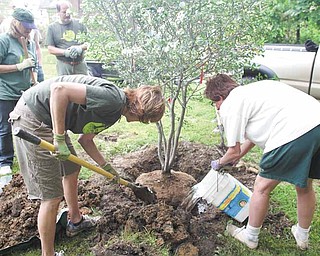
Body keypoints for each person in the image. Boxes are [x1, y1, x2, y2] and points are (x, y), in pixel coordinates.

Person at [9, 74, 165, 256]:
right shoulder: (112, 100)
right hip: (34, 118)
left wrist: (106, 167)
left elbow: (86, 139)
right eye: (145, 120)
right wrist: (59, 138)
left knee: (72, 169)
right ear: (140, 110)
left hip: (49, 119)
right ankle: (48, 254)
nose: (142, 123)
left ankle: (75, 221)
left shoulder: (115, 111)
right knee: (51, 197)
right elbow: (59, 90)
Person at [204, 74, 320, 250]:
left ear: (219, 97)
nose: (217, 108)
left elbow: (232, 150)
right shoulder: (255, 91)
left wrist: (218, 163)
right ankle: (302, 236)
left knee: (261, 187)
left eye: (215, 103)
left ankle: (250, 236)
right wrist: (236, 157)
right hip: (316, 123)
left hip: (292, 132)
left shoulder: (230, 104)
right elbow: (248, 141)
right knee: (304, 185)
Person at [0, 8, 37, 190]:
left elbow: (34, 65)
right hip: (5, 92)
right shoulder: (4, 41)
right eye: (26, 27)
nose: (29, 30)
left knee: (26, 126)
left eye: (31, 27)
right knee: (6, 129)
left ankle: (30, 159)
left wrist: (34, 73)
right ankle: (5, 163)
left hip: (24, 92)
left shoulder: (28, 42)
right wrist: (18, 66)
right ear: (16, 23)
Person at [46, 0, 89, 75]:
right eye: (64, 12)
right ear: (58, 13)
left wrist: (79, 48)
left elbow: (88, 43)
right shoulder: (52, 28)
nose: (67, 14)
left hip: (80, 64)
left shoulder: (80, 24)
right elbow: (50, 49)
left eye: (69, 11)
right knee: (64, 85)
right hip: (64, 65)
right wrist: (65, 52)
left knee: (84, 85)